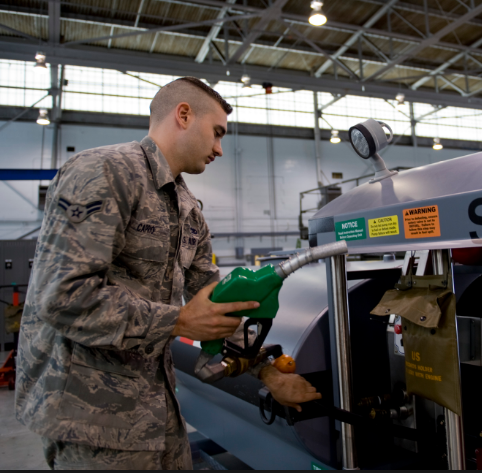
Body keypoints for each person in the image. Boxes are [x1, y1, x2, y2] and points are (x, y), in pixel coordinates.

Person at [15, 77, 321, 470]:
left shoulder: (189, 207)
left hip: (159, 411)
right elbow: (62, 297)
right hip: (90, 421)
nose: (219, 149)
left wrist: (265, 371)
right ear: (183, 115)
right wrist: (177, 320)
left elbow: (216, 303)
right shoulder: (104, 172)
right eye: (217, 133)